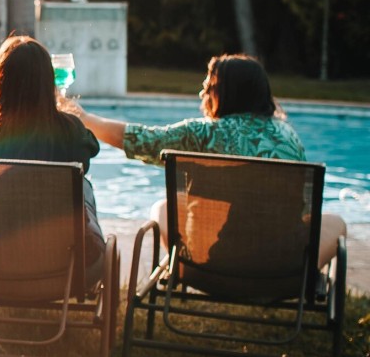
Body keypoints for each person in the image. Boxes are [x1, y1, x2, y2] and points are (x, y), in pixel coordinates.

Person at [70, 53, 346, 265]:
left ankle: (181, 267)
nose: (203, 93)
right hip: (283, 267)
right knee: (335, 222)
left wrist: (85, 119)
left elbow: (142, 139)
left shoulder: (203, 135)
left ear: (225, 93)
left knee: (164, 209)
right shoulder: (288, 137)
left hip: (212, 264)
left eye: (209, 86)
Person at [0, 36, 106, 271]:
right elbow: (89, 152)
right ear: (48, 82)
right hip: (63, 265)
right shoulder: (70, 130)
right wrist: (67, 115)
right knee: (82, 185)